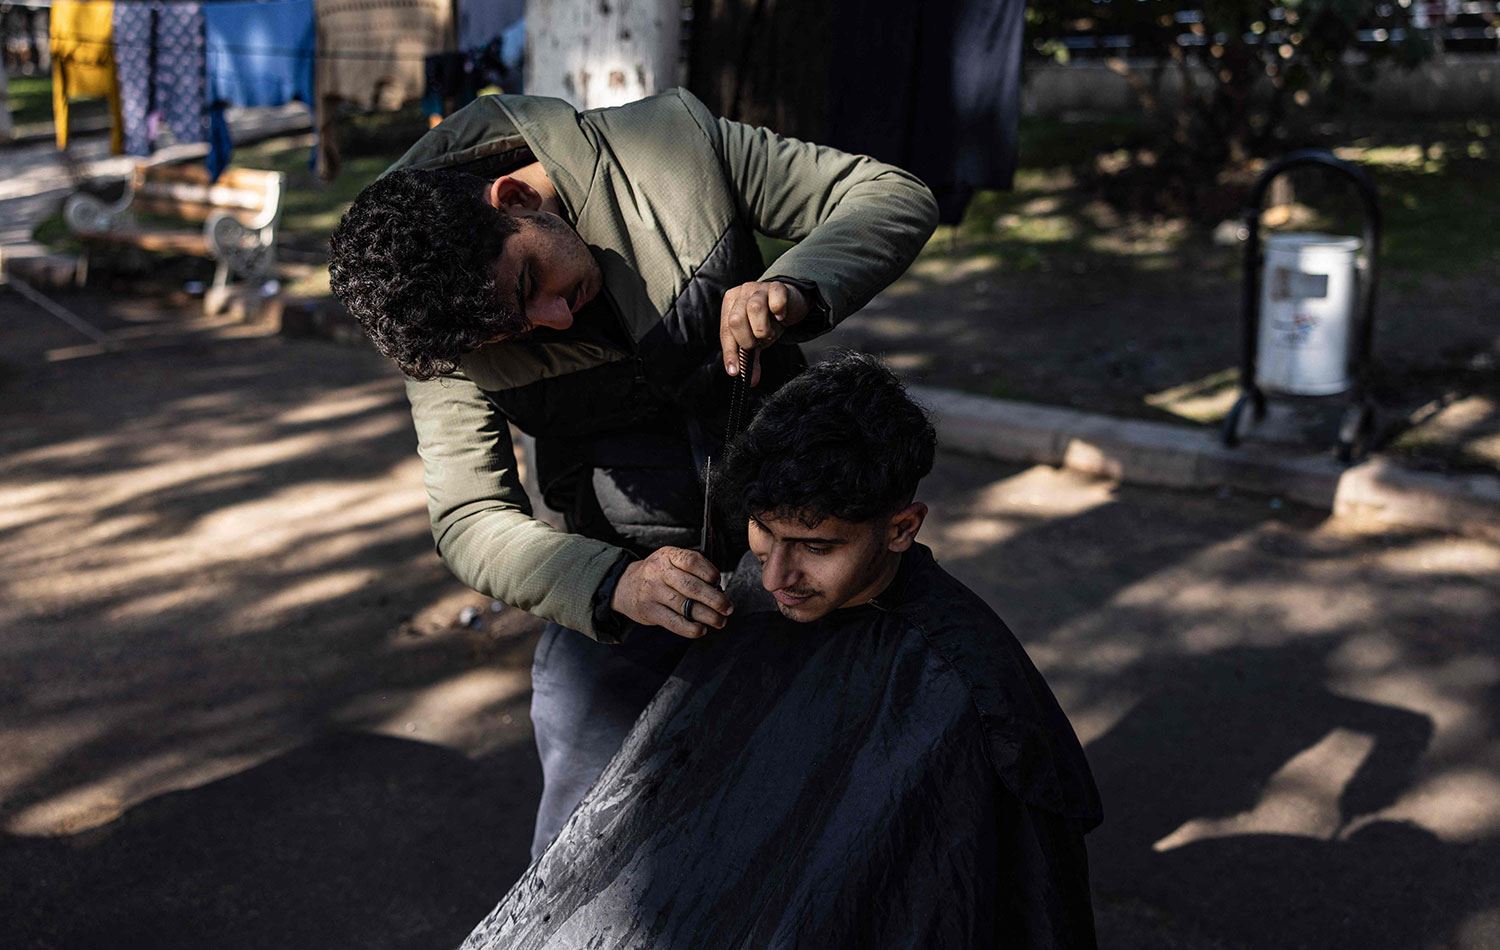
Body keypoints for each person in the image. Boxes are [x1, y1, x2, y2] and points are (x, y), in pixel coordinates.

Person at [326, 89, 938, 858]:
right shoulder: (443, 322)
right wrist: (615, 584)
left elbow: (891, 195)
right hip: (626, 585)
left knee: (840, 810)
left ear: (514, 199)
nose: (553, 320)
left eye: (530, 284)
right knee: (584, 843)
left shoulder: (665, 145)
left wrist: (796, 286)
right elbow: (468, 518)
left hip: (804, 549)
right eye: (512, 332)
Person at [459, 353, 1104, 949]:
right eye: (763, 532)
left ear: (902, 528)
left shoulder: (964, 680)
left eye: (816, 548)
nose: (774, 577)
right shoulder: (752, 599)